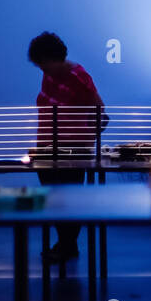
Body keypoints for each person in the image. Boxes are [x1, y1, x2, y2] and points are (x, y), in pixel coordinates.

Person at [28, 32, 106, 264]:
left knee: (68, 198)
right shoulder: (49, 75)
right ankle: (65, 244)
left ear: (54, 57)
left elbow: (101, 113)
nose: (42, 69)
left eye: (43, 63)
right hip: (47, 148)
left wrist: (84, 142)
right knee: (53, 198)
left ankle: (67, 245)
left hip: (71, 150)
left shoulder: (78, 77)